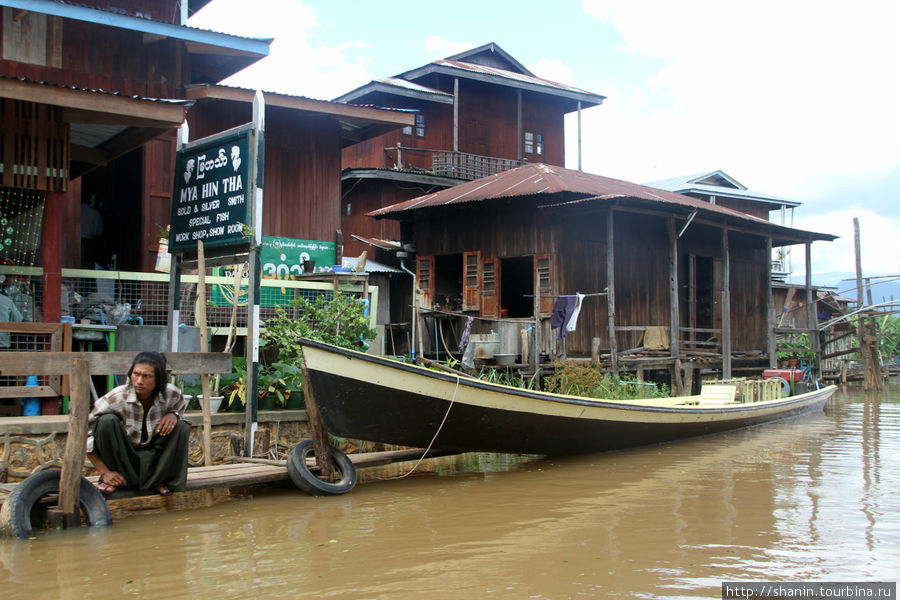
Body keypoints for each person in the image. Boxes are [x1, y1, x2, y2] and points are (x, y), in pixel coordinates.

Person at [86, 351, 189, 496]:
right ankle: (113, 479)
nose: (139, 381)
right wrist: (105, 472)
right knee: (106, 422)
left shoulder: (172, 394)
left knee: (182, 427)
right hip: (125, 459)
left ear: (159, 379)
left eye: (146, 376)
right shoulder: (117, 397)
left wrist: (174, 415)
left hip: (155, 458)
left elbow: (180, 412)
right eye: (136, 374)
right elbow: (84, 435)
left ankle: (160, 479)